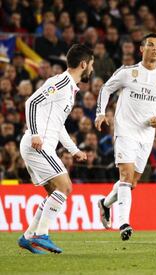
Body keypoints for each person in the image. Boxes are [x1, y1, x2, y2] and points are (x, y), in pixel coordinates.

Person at [95, 33, 156, 241]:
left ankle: (105, 204)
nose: (155, 48)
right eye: (150, 45)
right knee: (125, 176)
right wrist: (100, 113)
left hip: (146, 136)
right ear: (142, 49)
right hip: (125, 131)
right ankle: (123, 223)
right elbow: (105, 89)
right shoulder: (127, 72)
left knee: (132, 183)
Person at [18, 44, 93, 254]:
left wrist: (74, 150)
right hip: (37, 145)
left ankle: (28, 237)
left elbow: (58, 125)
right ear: (84, 64)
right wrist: (34, 133)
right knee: (65, 187)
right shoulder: (61, 82)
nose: (92, 70)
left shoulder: (70, 89)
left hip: (42, 146)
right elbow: (31, 103)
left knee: (54, 192)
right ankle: (42, 235)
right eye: (92, 65)